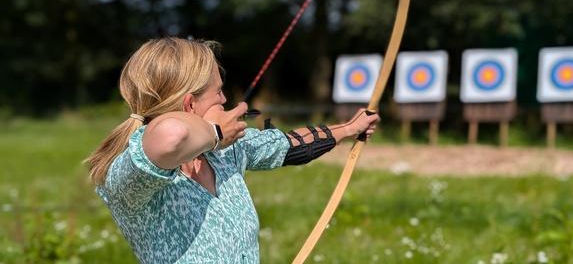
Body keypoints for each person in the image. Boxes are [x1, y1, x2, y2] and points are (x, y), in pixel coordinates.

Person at [85, 37, 379, 264]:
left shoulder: (224, 151)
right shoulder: (131, 174)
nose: (225, 99)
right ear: (189, 105)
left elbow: (288, 145)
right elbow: (170, 136)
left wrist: (349, 129)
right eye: (217, 92)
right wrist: (214, 133)